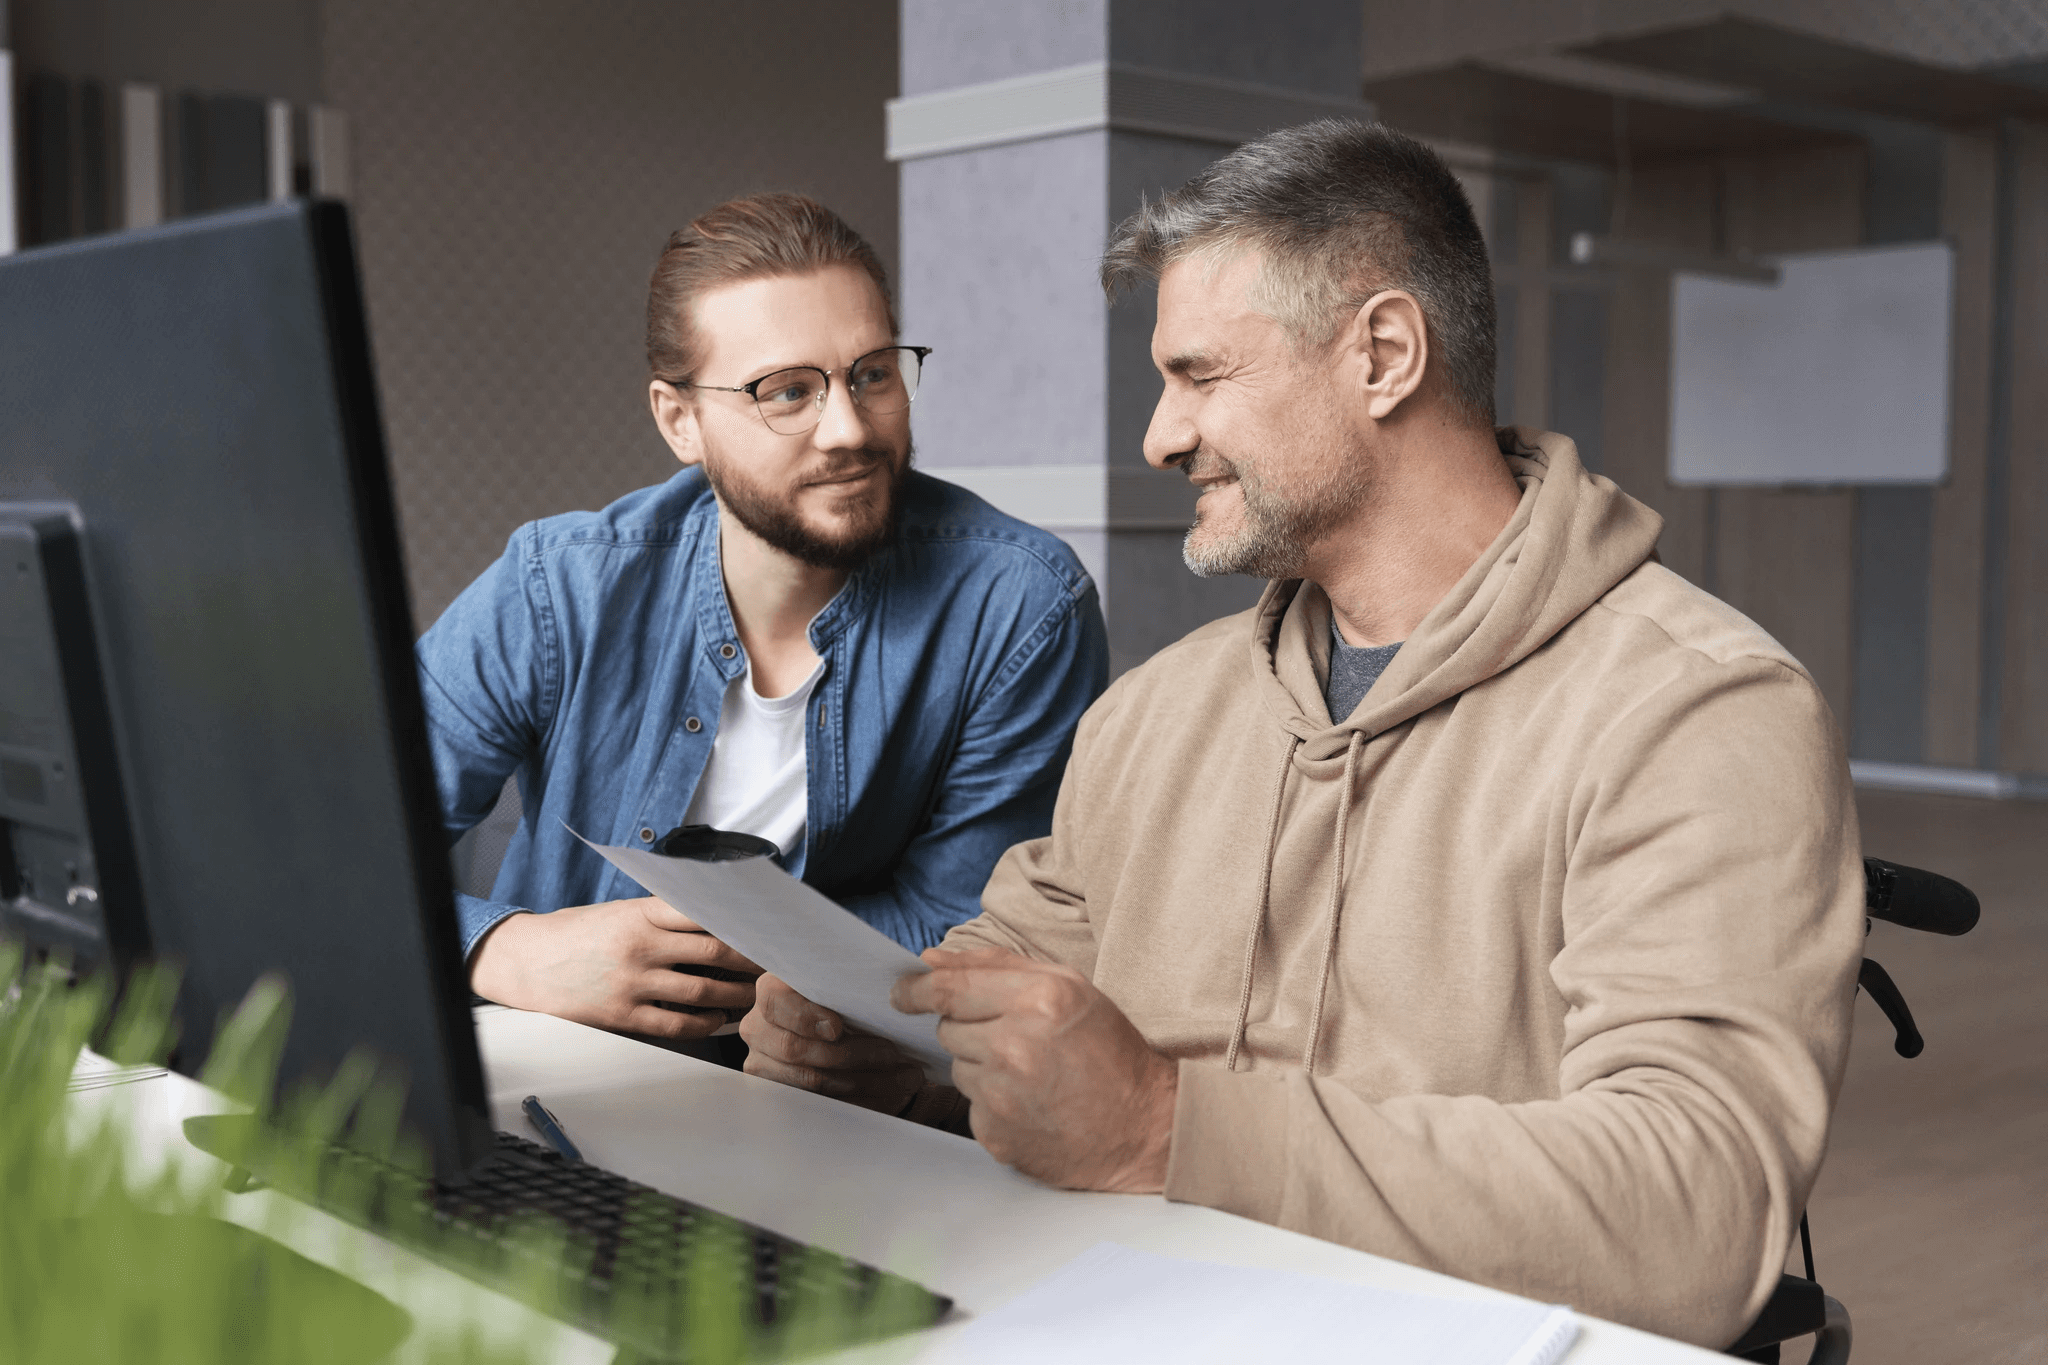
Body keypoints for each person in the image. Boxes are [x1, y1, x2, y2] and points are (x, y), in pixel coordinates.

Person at [738, 124, 1866, 1349]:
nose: (1158, 437)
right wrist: (887, 1049)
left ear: (1380, 354)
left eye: (1199, 375)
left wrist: (1166, 1128)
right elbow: (1002, 979)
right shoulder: (1154, 712)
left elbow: (1693, 1215)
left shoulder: (1696, 709)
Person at [419, 193, 1108, 1044]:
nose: (850, 429)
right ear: (681, 421)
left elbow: (972, 930)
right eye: (787, 392)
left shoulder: (1018, 606)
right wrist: (506, 950)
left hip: (835, 1101)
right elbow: (341, 846)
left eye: (874, 374)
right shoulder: (558, 587)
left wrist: (737, 976)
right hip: (557, 1081)